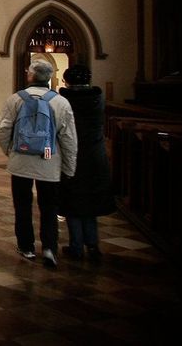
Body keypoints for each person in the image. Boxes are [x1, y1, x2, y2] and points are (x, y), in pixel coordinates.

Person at [0, 60, 78, 267]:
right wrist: (69, 167)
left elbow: (3, 130)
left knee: (22, 205)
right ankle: (50, 248)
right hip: (49, 161)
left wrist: (10, 152)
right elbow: (69, 139)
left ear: (30, 76)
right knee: (49, 207)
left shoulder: (16, 99)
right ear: (50, 77)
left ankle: (26, 247)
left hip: (21, 162)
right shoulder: (61, 102)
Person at [58, 64, 114, 260]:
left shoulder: (64, 101)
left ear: (67, 81)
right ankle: (92, 245)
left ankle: (76, 246)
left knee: (72, 202)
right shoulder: (97, 99)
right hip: (94, 156)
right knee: (90, 203)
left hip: (72, 157)